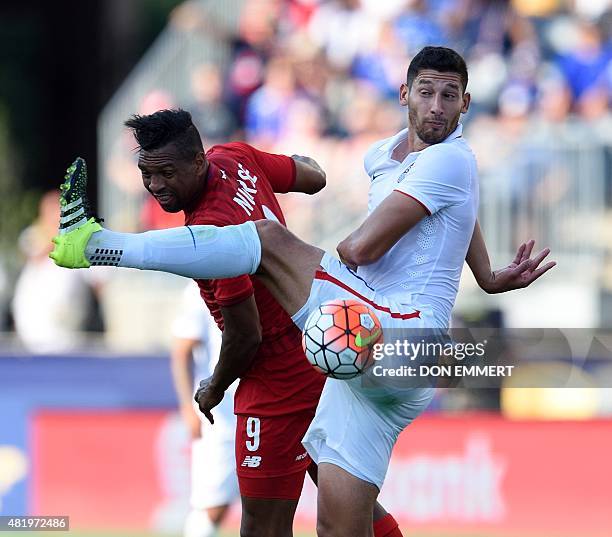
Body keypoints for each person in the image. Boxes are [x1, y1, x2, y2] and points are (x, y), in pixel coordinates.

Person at [51, 47, 555, 537]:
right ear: (405, 94)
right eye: (428, 93)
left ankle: (98, 244)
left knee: (269, 242)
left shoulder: (450, 161)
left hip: (400, 334)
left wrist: (336, 248)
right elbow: (449, 208)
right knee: (339, 527)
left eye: (451, 96)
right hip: (366, 352)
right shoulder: (386, 155)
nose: (438, 107)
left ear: (467, 103)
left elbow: (360, 248)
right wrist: (486, 275)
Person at [51, 117, 401, 537]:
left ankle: (94, 244)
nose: (156, 185)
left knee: (261, 527)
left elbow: (245, 334)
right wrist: (286, 169)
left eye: (166, 172)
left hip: (277, 378)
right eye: (147, 173)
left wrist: (214, 386)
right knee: (349, 508)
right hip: (316, 348)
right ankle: (93, 242)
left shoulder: (211, 230)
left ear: (198, 162)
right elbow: (313, 176)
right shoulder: (235, 156)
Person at [171, 282, 239, 537]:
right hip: (220, 414)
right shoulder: (200, 286)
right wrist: (187, 408)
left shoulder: (263, 273)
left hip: (265, 404)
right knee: (212, 505)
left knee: (268, 505)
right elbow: (182, 349)